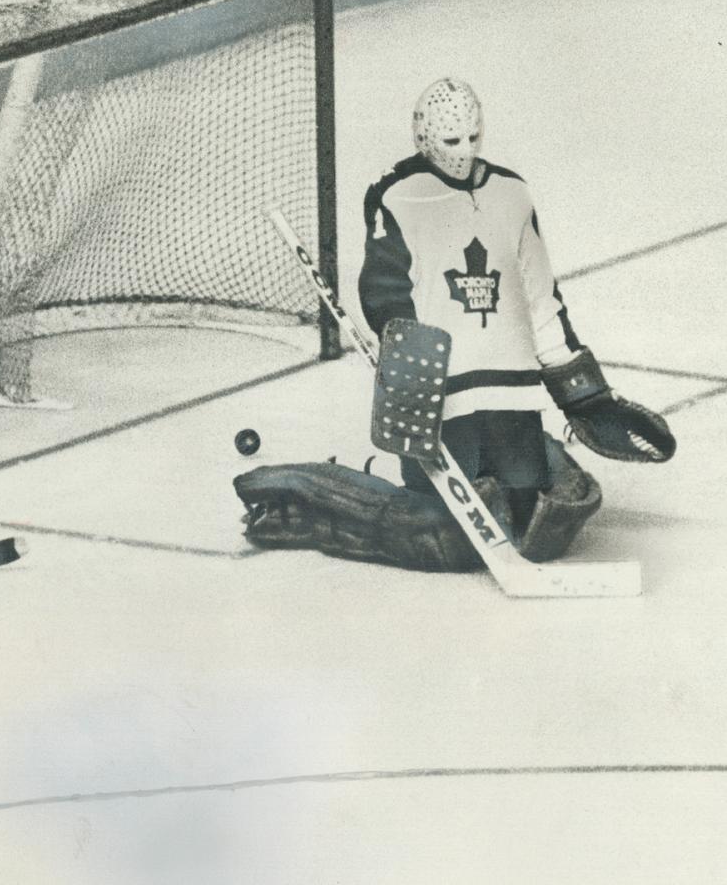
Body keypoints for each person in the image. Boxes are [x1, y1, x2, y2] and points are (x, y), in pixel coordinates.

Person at [235, 77, 673, 571]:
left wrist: (582, 391)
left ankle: (530, 457)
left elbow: (541, 295)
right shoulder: (396, 194)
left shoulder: (513, 192)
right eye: (450, 141)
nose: (464, 152)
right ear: (423, 138)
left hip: (515, 390)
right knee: (448, 528)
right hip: (447, 392)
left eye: (472, 137)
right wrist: (410, 366)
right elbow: (384, 291)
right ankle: (339, 486)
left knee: (532, 521)